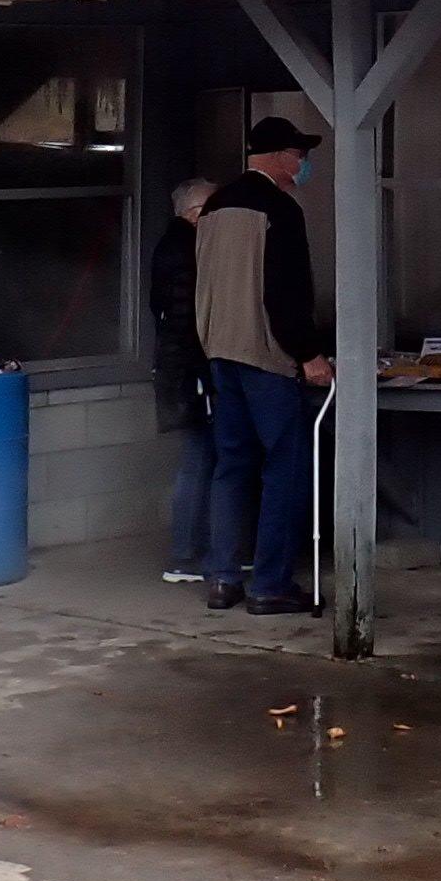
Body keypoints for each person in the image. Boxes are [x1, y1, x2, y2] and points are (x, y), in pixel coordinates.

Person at [196, 115, 331, 615]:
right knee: (284, 468)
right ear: (278, 156)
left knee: (231, 466)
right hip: (266, 354)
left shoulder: (212, 206)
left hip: (219, 351)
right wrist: (308, 352)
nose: (303, 164)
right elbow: (286, 290)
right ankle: (270, 585)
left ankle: (223, 579)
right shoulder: (279, 209)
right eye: (299, 155)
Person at [149, 176, 218, 587]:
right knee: (198, 460)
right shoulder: (185, 252)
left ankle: (201, 549)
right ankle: (185, 554)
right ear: (194, 213)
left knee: (203, 460)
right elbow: (186, 320)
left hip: (181, 370)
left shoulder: (173, 247)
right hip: (189, 372)